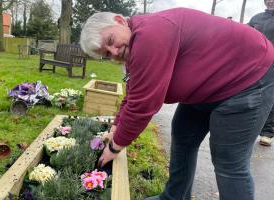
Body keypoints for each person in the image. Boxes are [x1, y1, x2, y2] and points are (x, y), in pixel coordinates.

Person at [80, 8, 274, 200]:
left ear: (120, 20)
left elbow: (142, 106)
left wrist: (115, 147)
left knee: (229, 160)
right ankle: (175, 197)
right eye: (106, 54)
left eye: (111, 41)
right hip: (210, 83)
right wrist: (116, 125)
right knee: (184, 136)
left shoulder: (150, 34)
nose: (114, 52)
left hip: (249, 76)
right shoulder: (134, 45)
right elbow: (133, 92)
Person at [248, 0, 274, 146]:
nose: (270, 1)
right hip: (255, 65)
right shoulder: (257, 18)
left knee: (270, 100)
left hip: (273, 66)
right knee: (250, 97)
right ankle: (248, 129)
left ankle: (267, 133)